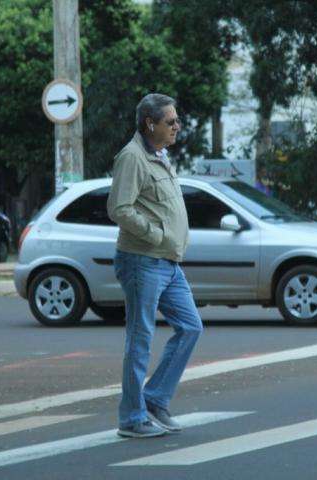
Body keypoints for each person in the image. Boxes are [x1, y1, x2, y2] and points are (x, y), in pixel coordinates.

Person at [107, 93, 203, 438]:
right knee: (140, 339)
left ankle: (155, 399)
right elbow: (119, 208)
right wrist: (157, 234)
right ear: (150, 124)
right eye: (171, 121)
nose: (177, 126)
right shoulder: (132, 157)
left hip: (168, 262)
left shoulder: (159, 155)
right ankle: (132, 418)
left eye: (177, 120)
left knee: (191, 327)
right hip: (142, 260)